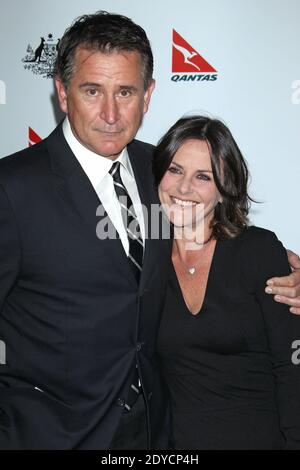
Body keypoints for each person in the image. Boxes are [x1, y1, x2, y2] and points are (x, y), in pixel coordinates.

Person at [0, 11, 299, 450]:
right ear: (62, 93)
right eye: (91, 91)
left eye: (125, 92)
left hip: (157, 434)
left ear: (148, 94)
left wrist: (287, 267)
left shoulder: (158, 170)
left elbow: (216, 238)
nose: (109, 114)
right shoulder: (12, 189)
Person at [155, 115, 300, 449]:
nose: (183, 188)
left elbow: (291, 368)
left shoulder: (257, 252)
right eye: (175, 170)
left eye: (203, 176)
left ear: (223, 191)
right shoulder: (145, 262)